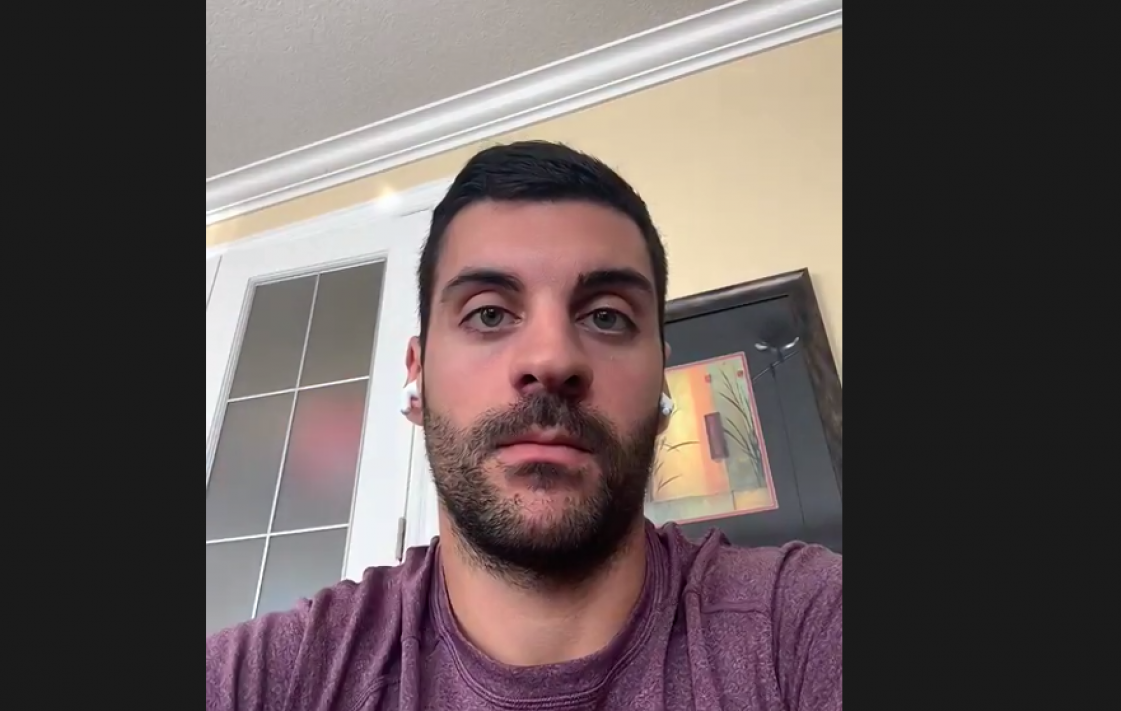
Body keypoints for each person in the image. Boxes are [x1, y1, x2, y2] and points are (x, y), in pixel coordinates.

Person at [206, 141, 842, 711]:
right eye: (488, 314)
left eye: (607, 317)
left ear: (660, 385)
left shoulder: (806, 621)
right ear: (418, 377)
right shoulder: (263, 679)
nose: (551, 359)